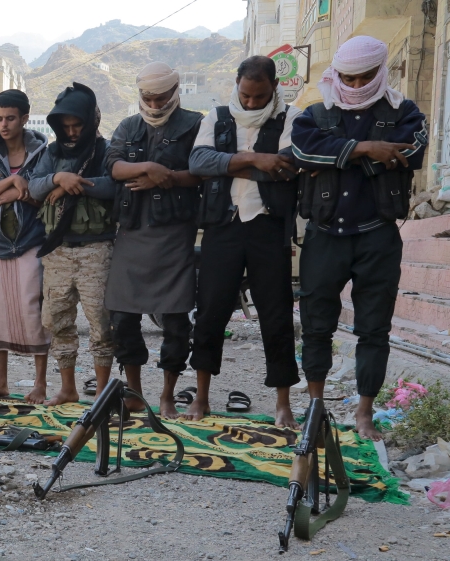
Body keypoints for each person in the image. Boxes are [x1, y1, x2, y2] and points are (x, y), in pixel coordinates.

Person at [291, 36, 427, 440]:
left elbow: (411, 153)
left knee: (373, 330)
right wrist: (369, 149)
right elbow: (301, 150)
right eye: (348, 78)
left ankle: (364, 412)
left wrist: (339, 157)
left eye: (364, 77)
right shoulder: (314, 113)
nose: (354, 85)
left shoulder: (405, 111)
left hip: (377, 237)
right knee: (316, 326)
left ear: (380, 72)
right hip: (325, 235)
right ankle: (316, 407)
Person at [187, 56, 302, 427]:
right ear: (236, 85)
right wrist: (255, 160)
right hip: (224, 227)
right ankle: (201, 396)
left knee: (277, 315)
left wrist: (230, 162)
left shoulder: (291, 117)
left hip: (269, 228)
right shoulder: (217, 116)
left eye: (260, 96)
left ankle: (282, 403)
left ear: (274, 89)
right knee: (210, 312)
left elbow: (286, 166)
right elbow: (199, 163)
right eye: (246, 95)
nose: (252, 103)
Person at [105, 63, 203, 418]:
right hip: (131, 232)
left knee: (176, 322)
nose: (156, 104)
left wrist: (169, 178)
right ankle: (133, 393)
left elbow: (204, 171)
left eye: (162, 97)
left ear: (175, 91)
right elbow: (113, 166)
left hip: (175, 233)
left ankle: (166, 396)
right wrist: (149, 170)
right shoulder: (129, 126)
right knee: (123, 318)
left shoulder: (195, 124)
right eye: (149, 97)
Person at [29, 82, 117, 406]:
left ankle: (104, 394)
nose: (71, 133)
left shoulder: (106, 150)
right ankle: (68, 389)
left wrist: (72, 184)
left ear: (90, 122)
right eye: (64, 127)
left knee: (101, 324)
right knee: (58, 320)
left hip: (97, 249)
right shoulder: (52, 154)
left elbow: (115, 186)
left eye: (76, 125)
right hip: (59, 250)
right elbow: (34, 186)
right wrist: (56, 178)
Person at [0, 90, 52, 404]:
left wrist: (18, 193)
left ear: (25, 118)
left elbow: (43, 194)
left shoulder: (43, 152)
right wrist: (12, 183)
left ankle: (41, 385)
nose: (4, 125)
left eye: (10, 118)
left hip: (32, 241)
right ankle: (0, 381)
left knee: (34, 311)